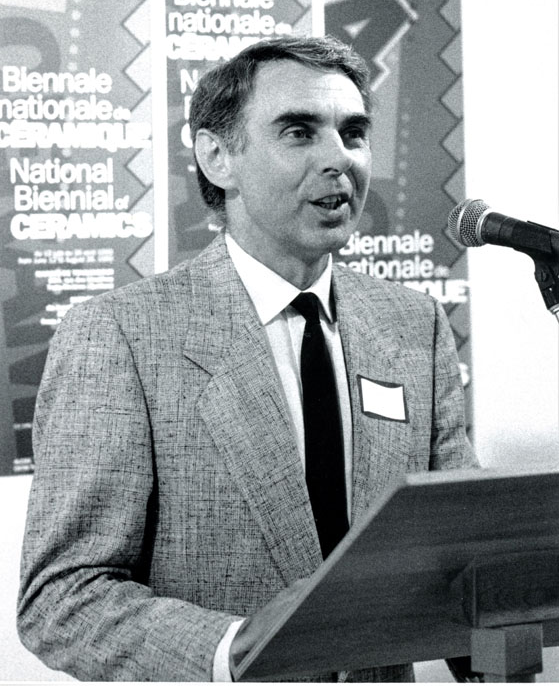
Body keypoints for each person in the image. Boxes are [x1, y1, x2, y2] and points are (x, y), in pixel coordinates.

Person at [17, 35, 478, 682]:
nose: (339, 159)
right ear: (217, 158)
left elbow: (465, 555)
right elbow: (62, 599)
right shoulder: (120, 335)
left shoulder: (414, 325)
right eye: (299, 132)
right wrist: (233, 647)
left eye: (353, 133)